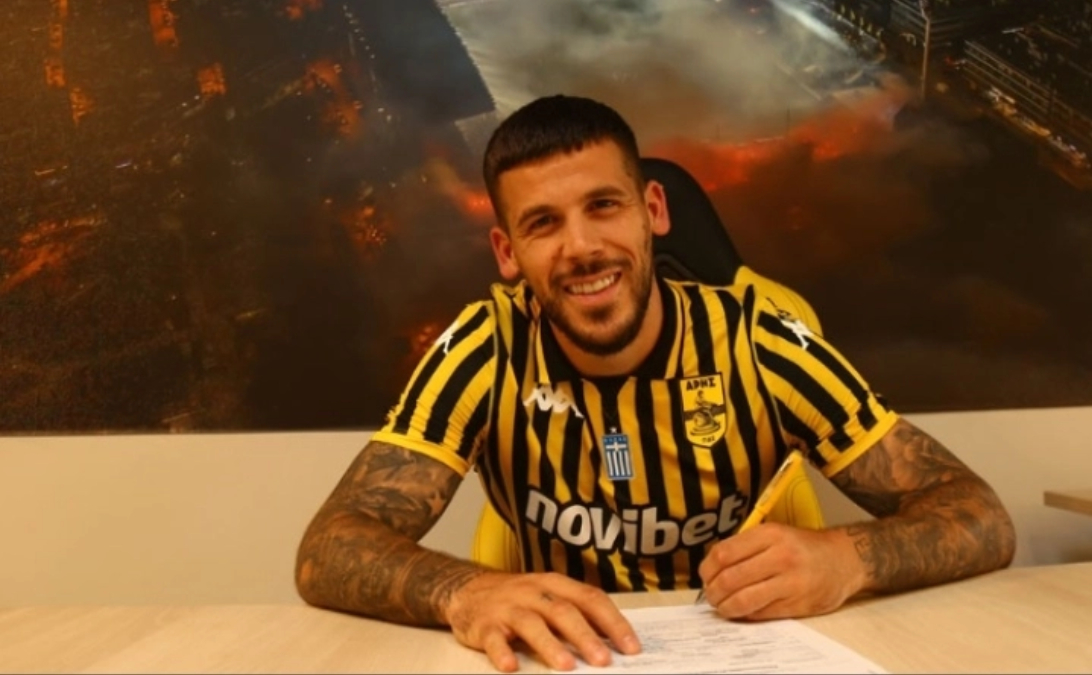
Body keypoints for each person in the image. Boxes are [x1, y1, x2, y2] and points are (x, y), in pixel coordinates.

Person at [295, 94, 1016, 673]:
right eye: (544, 224)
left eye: (604, 206)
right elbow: (328, 546)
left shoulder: (758, 339)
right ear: (508, 253)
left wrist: (848, 558)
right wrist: (464, 591)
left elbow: (980, 515)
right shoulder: (487, 348)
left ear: (654, 212)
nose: (582, 248)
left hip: (747, 655)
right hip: (565, 661)